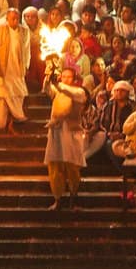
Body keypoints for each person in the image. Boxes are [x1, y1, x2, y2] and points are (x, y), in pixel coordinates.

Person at [44, 66, 88, 210]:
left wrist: (57, 83)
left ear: (74, 79)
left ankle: (73, 201)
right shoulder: (57, 91)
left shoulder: (79, 92)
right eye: (63, 76)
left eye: (69, 77)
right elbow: (46, 88)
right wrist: (49, 76)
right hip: (56, 134)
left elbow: (67, 90)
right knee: (55, 168)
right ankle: (57, 200)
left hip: (71, 135)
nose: (66, 79)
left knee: (73, 169)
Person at [0, 8, 31, 137]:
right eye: (12, 19)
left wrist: (26, 66)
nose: (15, 21)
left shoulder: (24, 31)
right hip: (2, 70)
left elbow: (27, 51)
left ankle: (14, 124)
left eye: (17, 18)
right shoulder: (0, 29)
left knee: (16, 97)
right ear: (7, 19)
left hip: (17, 71)